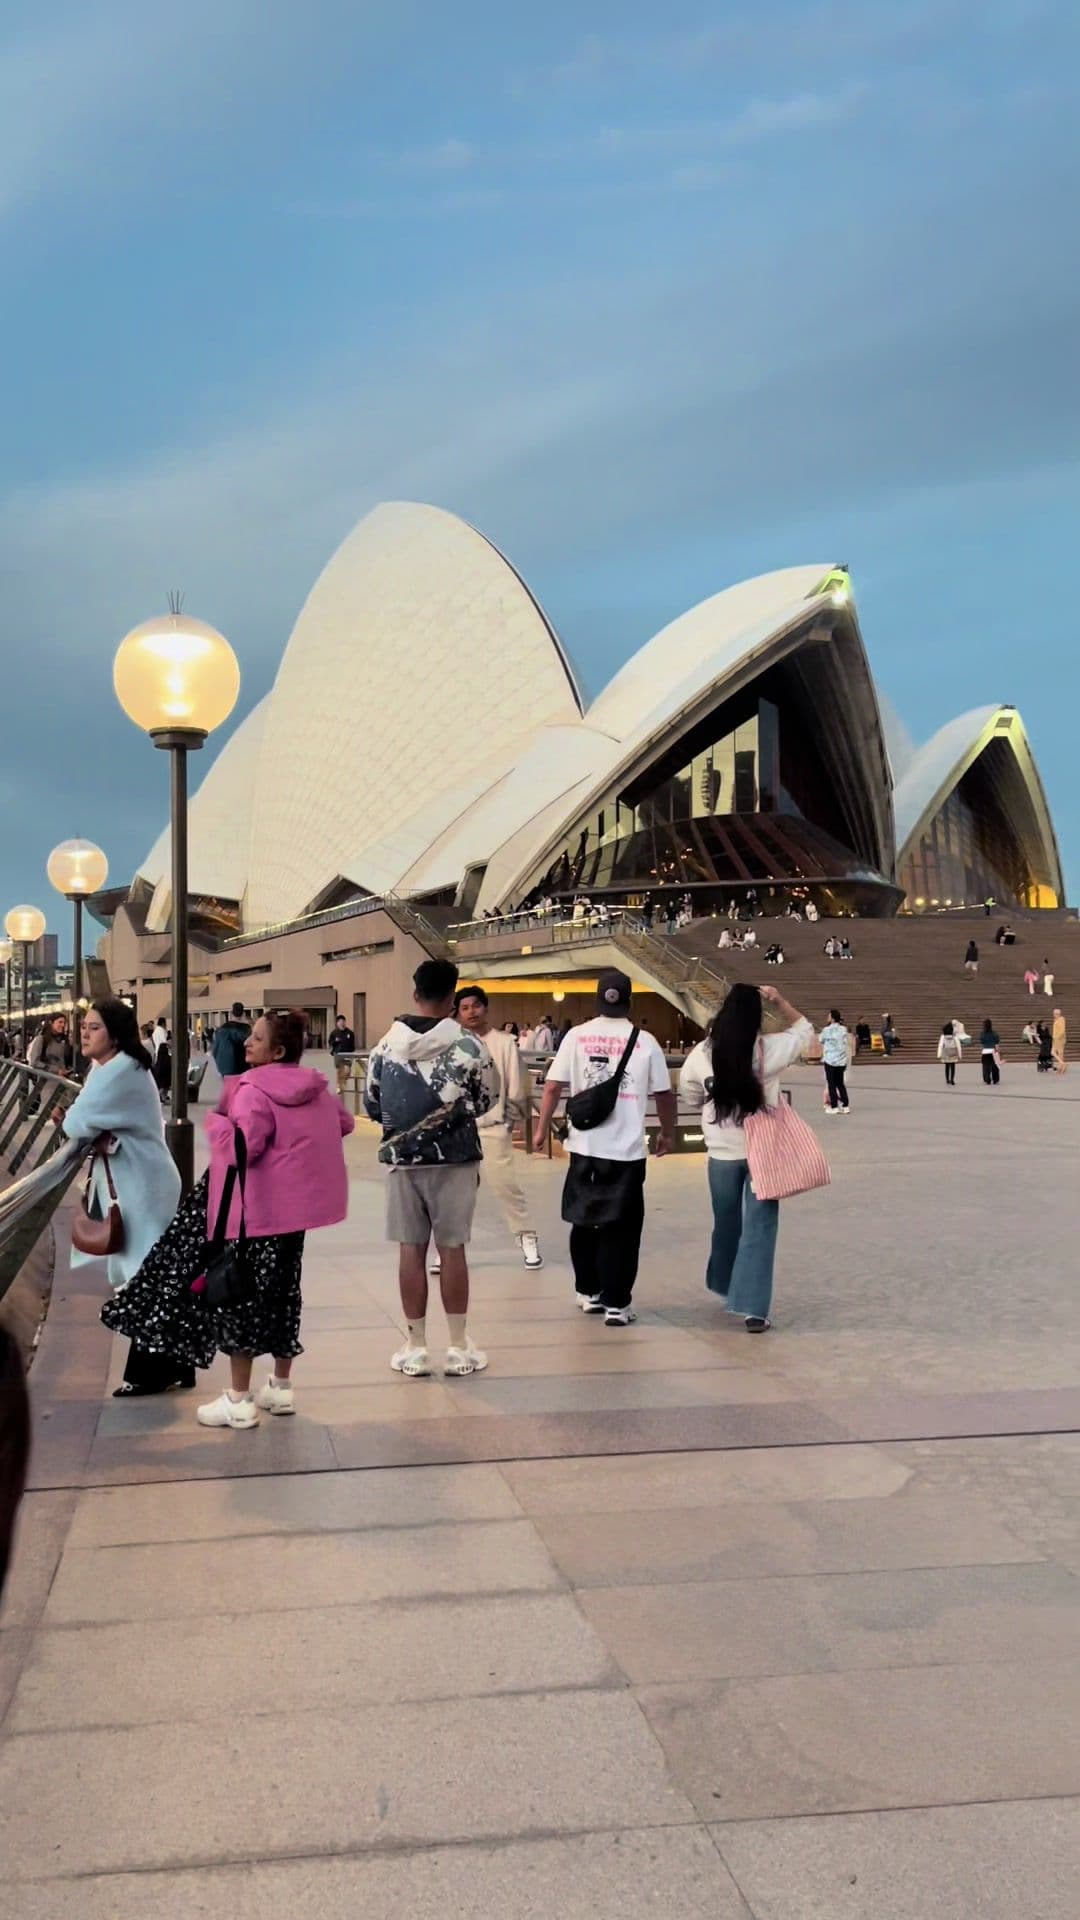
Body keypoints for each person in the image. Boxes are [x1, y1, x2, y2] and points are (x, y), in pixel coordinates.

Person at [192, 1009, 354, 1429]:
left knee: (242, 1298)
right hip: (293, 1217)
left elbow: (243, 1148)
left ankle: (238, 1398)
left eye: (257, 1038)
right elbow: (344, 1123)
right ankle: (281, 1387)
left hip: (257, 1215)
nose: (248, 1043)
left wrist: (216, 1123)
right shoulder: (315, 1087)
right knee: (284, 1293)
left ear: (276, 1051)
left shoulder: (252, 1089)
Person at [365, 959, 494, 1379]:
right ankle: (457, 1346)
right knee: (452, 1248)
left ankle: (416, 1346)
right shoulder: (470, 1045)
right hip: (456, 1158)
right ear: (453, 997)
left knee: (411, 1248)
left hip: (403, 1160)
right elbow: (486, 1099)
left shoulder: (385, 1047)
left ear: (415, 993)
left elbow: (372, 1103)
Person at [533, 970, 674, 1325]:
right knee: (622, 1228)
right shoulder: (645, 1041)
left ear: (598, 999)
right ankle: (617, 1304)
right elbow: (664, 1093)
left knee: (584, 1220)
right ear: (629, 1002)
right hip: (626, 1152)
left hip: (584, 1146)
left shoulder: (576, 1036)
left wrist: (540, 1128)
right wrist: (667, 1132)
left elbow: (552, 1087)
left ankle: (588, 1293)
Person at [60, 998, 185, 1396]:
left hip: (143, 1185)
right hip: (140, 1180)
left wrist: (86, 1124)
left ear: (114, 1035)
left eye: (94, 1027)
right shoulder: (113, 1067)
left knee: (142, 1274)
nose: (84, 1033)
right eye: (84, 1026)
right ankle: (174, 1364)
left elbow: (75, 1122)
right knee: (147, 1272)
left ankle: (151, 1372)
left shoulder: (119, 1071)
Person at [679, 983, 813, 1332]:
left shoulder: (702, 1054)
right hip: (762, 1152)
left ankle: (725, 1284)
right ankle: (753, 1308)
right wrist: (780, 1000)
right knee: (760, 1227)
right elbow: (805, 1030)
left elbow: (689, 1093)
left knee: (726, 1223)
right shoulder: (770, 1049)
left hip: (721, 1153)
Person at [455, 985, 543, 1271]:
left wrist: (512, 1121)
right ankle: (450, 1247)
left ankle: (526, 1236)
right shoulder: (452, 1043)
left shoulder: (504, 1043)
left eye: (476, 1006)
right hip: (458, 1130)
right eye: (465, 1008)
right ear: (458, 1013)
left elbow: (517, 1082)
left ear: (485, 1008)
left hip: (493, 1127)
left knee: (506, 1186)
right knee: (457, 1193)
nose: (471, 1012)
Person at [818, 1009, 851, 1113]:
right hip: (841, 1060)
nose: (827, 1017)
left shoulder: (826, 1030)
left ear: (832, 1018)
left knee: (831, 1084)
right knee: (840, 1084)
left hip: (830, 1060)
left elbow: (820, 1040)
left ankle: (834, 1107)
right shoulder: (843, 1029)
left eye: (829, 1016)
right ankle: (845, 1106)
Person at [211, 1003, 252, 1079]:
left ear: (231, 1013)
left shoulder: (221, 1030)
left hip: (223, 1070)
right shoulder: (246, 1030)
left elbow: (215, 1050)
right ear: (243, 1014)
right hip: (241, 1069)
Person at [328, 1013, 356, 1099]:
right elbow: (330, 1043)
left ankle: (342, 1084)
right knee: (340, 1071)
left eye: (343, 1021)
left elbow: (353, 1045)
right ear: (337, 1023)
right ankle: (339, 1086)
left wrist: (351, 1052)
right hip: (338, 1054)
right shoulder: (334, 1033)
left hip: (348, 1054)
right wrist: (335, 1041)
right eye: (340, 1021)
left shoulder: (350, 1033)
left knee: (347, 1071)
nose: (341, 1023)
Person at [938, 1021, 961, 1086]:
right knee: (953, 1066)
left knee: (947, 1066)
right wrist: (960, 1055)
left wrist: (939, 1054)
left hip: (946, 1052)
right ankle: (952, 1079)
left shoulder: (943, 1037)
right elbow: (958, 1046)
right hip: (953, 1052)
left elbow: (940, 1045)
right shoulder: (954, 1037)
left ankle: (947, 1079)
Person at [980, 1018, 1001, 1086]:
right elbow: (996, 1043)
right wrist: (998, 1051)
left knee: (986, 1065)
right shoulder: (995, 1033)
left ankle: (987, 1079)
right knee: (994, 1065)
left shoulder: (982, 1034)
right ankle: (995, 1079)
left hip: (985, 1050)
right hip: (993, 1050)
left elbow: (982, 1043)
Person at [1051, 1007, 1067, 1073]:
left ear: (1058, 1014)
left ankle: (1062, 1064)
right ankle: (1061, 1067)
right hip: (1056, 1038)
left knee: (1053, 1052)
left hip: (1059, 1039)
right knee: (1060, 1053)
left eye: (1054, 1013)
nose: (1053, 1015)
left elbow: (1062, 1030)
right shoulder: (1057, 1020)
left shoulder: (1061, 1019)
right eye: (1054, 1013)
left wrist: (1057, 1037)